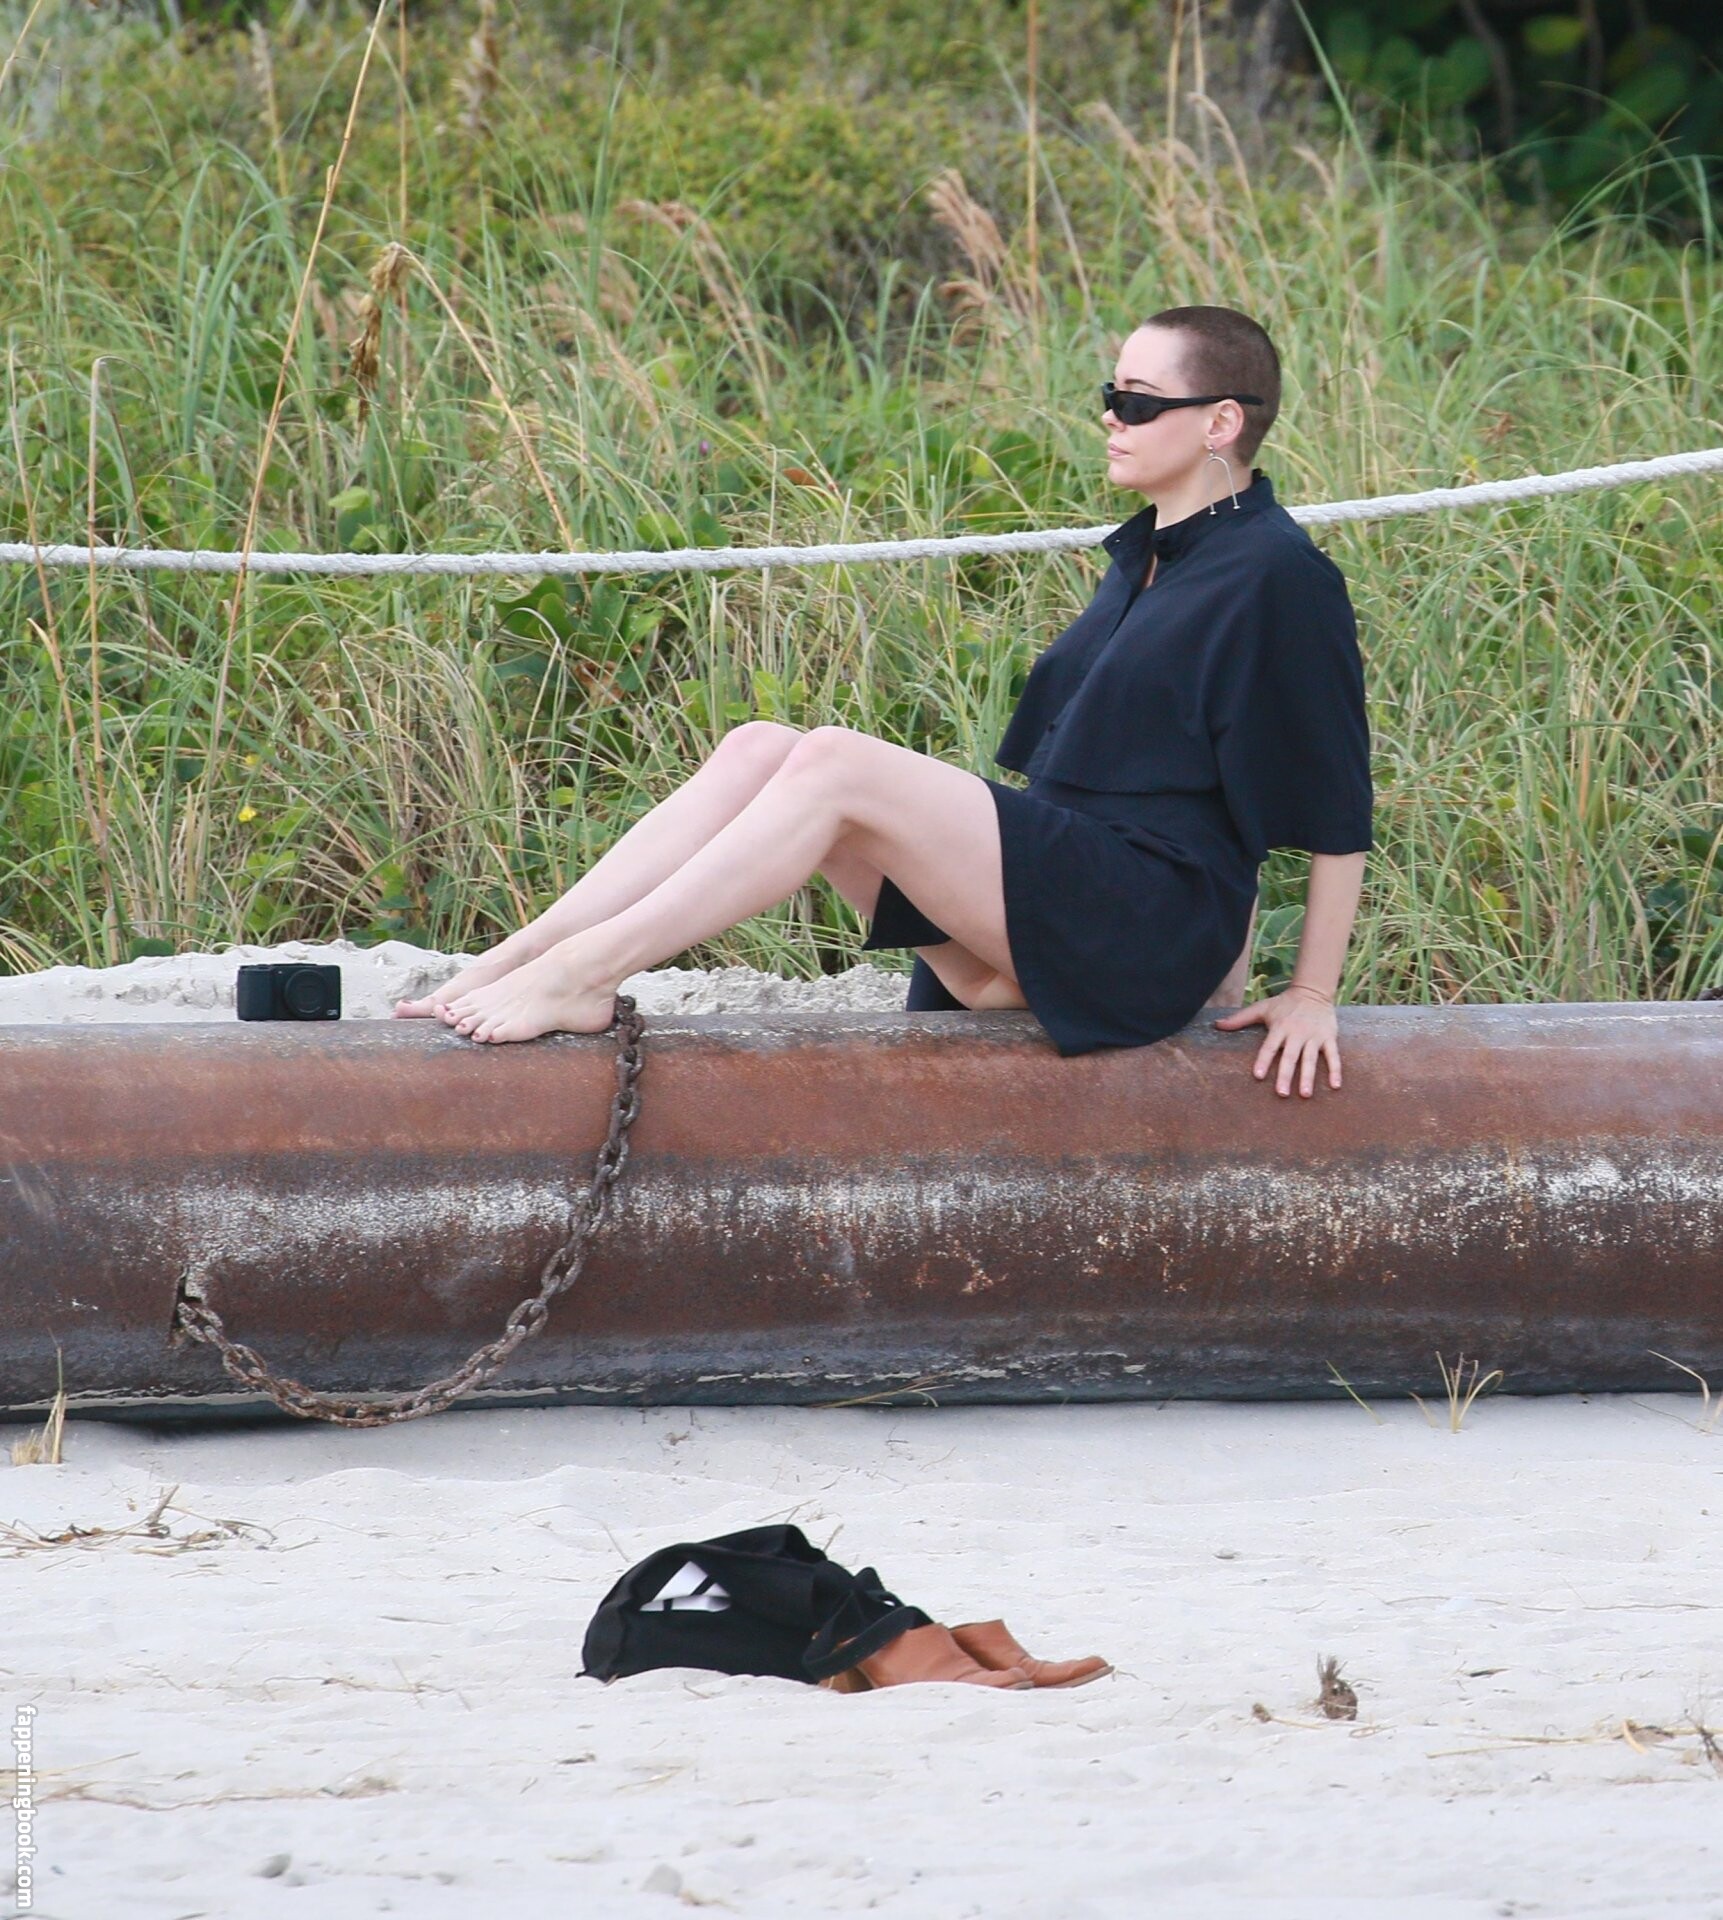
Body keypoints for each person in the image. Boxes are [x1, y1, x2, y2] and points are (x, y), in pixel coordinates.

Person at [395, 305, 1373, 1099]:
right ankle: (521, 956)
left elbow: (1335, 806)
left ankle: (585, 976)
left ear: (1220, 422)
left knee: (833, 760)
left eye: (1137, 400)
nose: (1110, 416)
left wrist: (1310, 993)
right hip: (1055, 918)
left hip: (1141, 928)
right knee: (759, 745)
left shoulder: (1277, 572)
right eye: (1107, 396)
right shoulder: (1146, 557)